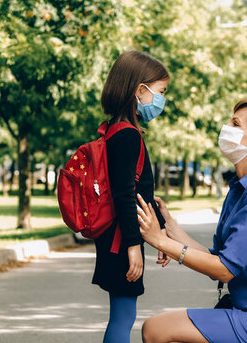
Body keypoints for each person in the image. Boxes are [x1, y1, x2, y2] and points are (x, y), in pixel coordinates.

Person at [136, 98, 247, 343]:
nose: (226, 128)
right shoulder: (242, 187)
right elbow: (218, 263)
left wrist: (161, 241)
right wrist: (170, 229)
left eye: (235, 124)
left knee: (156, 329)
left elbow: (224, 270)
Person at [95, 50, 171, 343]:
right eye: (160, 92)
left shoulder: (116, 130)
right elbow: (125, 195)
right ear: (141, 90)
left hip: (116, 239)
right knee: (124, 316)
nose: (162, 100)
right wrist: (133, 246)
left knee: (122, 314)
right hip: (120, 241)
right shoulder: (127, 135)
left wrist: (161, 236)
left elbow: (140, 192)